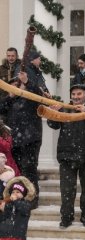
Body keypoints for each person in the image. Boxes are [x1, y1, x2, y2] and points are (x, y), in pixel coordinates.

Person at [47, 84, 85, 229]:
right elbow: (53, 125)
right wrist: (53, 113)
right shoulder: (64, 108)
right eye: (74, 94)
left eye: (79, 94)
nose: (76, 97)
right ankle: (66, 217)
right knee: (67, 190)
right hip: (67, 156)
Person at [0, 71, 43, 209]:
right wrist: (9, 97)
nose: (15, 89)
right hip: (16, 142)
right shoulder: (10, 101)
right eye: (12, 87)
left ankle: (33, 198)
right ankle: (20, 196)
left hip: (31, 140)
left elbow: (38, 94)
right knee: (18, 171)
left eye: (17, 86)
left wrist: (27, 82)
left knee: (29, 169)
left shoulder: (31, 98)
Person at [0, 176, 36, 240]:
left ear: (23, 194)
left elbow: (24, 209)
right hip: (4, 236)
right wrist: (2, 210)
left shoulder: (26, 204)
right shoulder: (8, 205)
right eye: (13, 192)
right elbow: (3, 219)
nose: (15, 194)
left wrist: (16, 201)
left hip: (18, 237)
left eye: (18, 192)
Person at [0, 47, 21, 121]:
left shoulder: (21, 68)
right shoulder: (1, 69)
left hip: (17, 103)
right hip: (4, 102)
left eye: (12, 56)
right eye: (8, 56)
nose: (10, 58)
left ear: (17, 56)